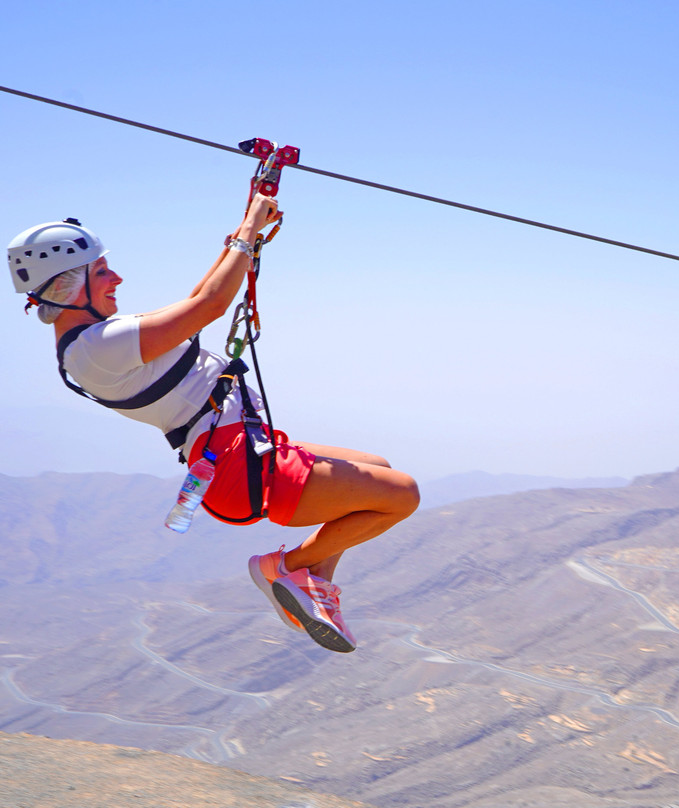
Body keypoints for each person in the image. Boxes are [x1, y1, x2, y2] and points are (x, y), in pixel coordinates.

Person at [7, 195, 420, 653]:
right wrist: (247, 233)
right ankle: (283, 569)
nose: (117, 277)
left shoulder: (92, 346)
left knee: (377, 467)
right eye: (102, 270)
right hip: (236, 462)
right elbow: (210, 304)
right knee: (402, 496)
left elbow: (195, 303)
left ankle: (310, 581)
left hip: (236, 453)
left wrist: (245, 231)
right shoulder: (98, 347)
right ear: (67, 285)